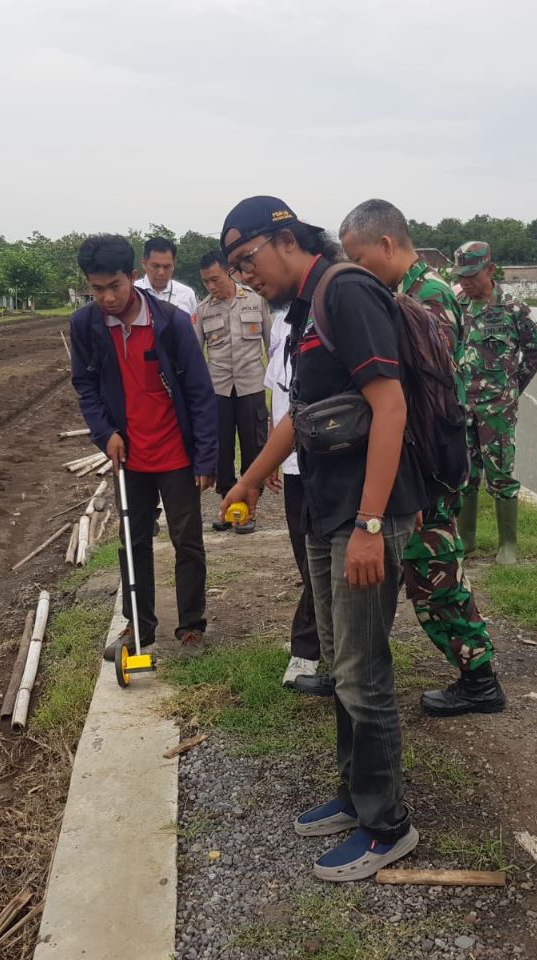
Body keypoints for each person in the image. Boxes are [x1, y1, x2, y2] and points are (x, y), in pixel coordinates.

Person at [218, 196, 424, 881]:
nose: (247, 277)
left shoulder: (346, 293)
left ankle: (387, 824)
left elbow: (390, 407)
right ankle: (356, 791)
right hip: (327, 509)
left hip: (365, 513)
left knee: (364, 672)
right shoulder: (305, 309)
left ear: (286, 238)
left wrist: (371, 524)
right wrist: (250, 480)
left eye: (248, 259)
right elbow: (300, 413)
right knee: (340, 666)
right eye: (235, 268)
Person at [339, 199, 504, 717]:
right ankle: (470, 673)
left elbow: (425, 391)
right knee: (427, 568)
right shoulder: (408, 292)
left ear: (387, 244)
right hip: (423, 458)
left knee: (435, 571)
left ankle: (480, 680)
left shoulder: (427, 296)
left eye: (359, 259)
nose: (357, 272)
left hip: (429, 462)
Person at [69, 235, 218, 660]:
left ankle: (192, 627)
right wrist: (105, 434)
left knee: (187, 541)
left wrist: (206, 457)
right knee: (133, 543)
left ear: (132, 276)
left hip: (176, 455)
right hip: (129, 456)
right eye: (96, 289)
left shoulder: (171, 323)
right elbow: (85, 386)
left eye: (114, 286)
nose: (106, 297)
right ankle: (139, 625)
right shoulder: (86, 325)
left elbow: (199, 393)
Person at [453, 241, 537, 565]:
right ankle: (466, 538)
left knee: (500, 474)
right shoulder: (457, 306)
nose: (466, 281)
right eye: (461, 276)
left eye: (472, 275)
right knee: (465, 474)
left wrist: (513, 387)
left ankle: (508, 544)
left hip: (497, 410)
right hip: (462, 406)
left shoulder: (512, 308)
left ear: (490, 270)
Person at [264, 301, 328, 692]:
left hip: (328, 461)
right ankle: (322, 641)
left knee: (323, 561)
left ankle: (307, 648)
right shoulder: (282, 325)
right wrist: (272, 456)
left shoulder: (331, 318)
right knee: (306, 560)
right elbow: (278, 395)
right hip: (293, 466)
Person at [194, 250, 273, 533]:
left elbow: (271, 345)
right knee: (222, 450)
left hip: (252, 386)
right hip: (219, 390)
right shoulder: (203, 310)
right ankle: (227, 507)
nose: (211, 286)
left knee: (253, 447)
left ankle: (250, 508)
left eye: (215, 279)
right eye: (205, 282)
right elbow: (196, 356)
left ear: (228, 271)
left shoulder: (256, 300)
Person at [135, 236, 199, 316]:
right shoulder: (133, 291)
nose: (161, 272)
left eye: (167, 267)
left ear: (174, 264)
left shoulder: (186, 294)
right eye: (156, 266)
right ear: (144, 263)